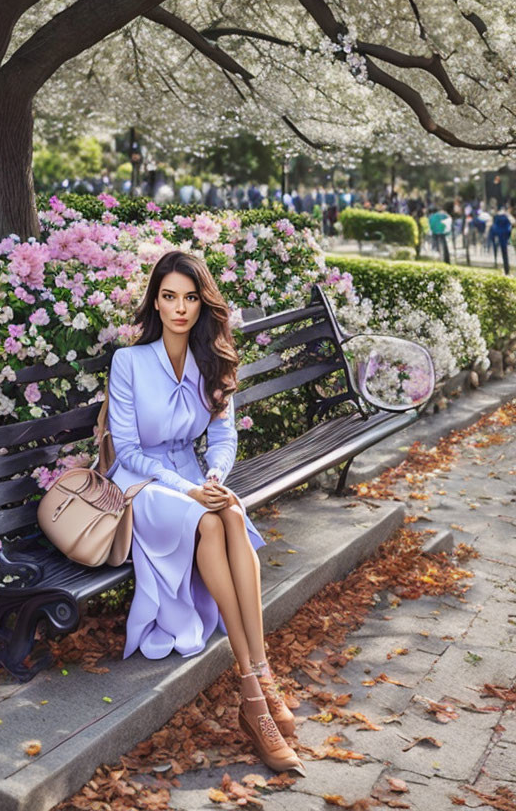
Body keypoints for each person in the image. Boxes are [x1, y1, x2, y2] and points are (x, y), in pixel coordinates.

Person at [105, 250, 304, 773]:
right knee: (210, 519)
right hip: (142, 485)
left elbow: (222, 435)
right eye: (169, 296)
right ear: (155, 300)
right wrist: (188, 490)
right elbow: (127, 451)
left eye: (190, 298)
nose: (179, 308)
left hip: (195, 478)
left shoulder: (213, 359)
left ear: (202, 304)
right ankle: (256, 689)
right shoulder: (128, 361)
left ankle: (256, 679)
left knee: (230, 515)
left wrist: (214, 478)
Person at [489, 206, 514, 275]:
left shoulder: (496, 218)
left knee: (496, 251)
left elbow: (493, 228)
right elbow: (510, 227)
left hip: (498, 236)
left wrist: (493, 236)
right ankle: (507, 270)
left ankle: (495, 262)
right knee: (505, 254)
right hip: (505, 238)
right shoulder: (507, 218)